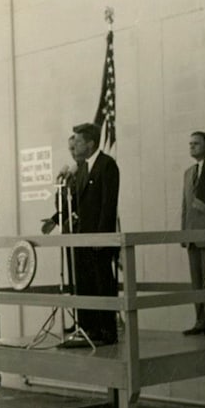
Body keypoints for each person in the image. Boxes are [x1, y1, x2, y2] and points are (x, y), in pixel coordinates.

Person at [65, 122, 120, 346]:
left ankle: (107, 330)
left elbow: (109, 203)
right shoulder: (81, 168)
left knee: (102, 283)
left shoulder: (107, 165)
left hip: (99, 238)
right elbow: (75, 203)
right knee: (85, 283)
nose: (74, 145)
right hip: (81, 238)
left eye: (77, 141)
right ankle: (89, 328)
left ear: (90, 143)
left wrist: (101, 236)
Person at [181, 131, 205, 335]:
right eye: (190, 143)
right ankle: (200, 321)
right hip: (192, 235)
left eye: (196, 143)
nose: (192, 146)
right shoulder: (188, 173)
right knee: (196, 281)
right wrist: (183, 234)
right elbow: (185, 205)